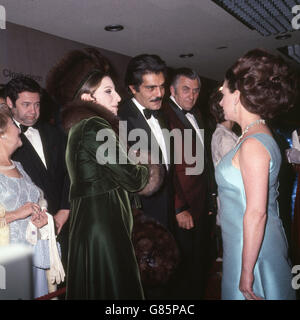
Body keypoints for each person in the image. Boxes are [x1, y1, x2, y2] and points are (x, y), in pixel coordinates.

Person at [46, 48, 163, 299]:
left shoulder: (80, 127)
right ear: (88, 99)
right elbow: (135, 178)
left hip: (93, 223)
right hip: (104, 225)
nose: (118, 97)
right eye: (108, 91)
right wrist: (146, 163)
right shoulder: (95, 125)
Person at [215, 48, 297, 300]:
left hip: (251, 249)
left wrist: (247, 270)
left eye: (224, 94)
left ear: (237, 96)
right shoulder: (253, 135)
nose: (220, 102)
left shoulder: (253, 143)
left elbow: (256, 213)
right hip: (244, 242)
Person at [4, 76, 70, 270]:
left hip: (64, 224)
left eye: (37, 104)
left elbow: (70, 174)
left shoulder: (55, 133)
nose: (33, 111)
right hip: (25, 234)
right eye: (26, 104)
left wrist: (64, 212)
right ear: (10, 103)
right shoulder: (4, 141)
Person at [162, 67, 216, 299]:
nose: (191, 96)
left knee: (199, 265)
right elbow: (167, 170)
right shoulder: (164, 116)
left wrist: (211, 196)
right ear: (172, 90)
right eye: (186, 90)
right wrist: (179, 207)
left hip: (201, 202)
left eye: (196, 91)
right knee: (183, 271)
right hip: (182, 206)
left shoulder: (198, 115)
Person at [0, 104, 51, 298]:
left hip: (32, 254)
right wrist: (15, 214)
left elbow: (37, 201)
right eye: (13, 124)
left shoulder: (19, 165)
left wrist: (39, 218)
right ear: (1, 134)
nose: (18, 126)